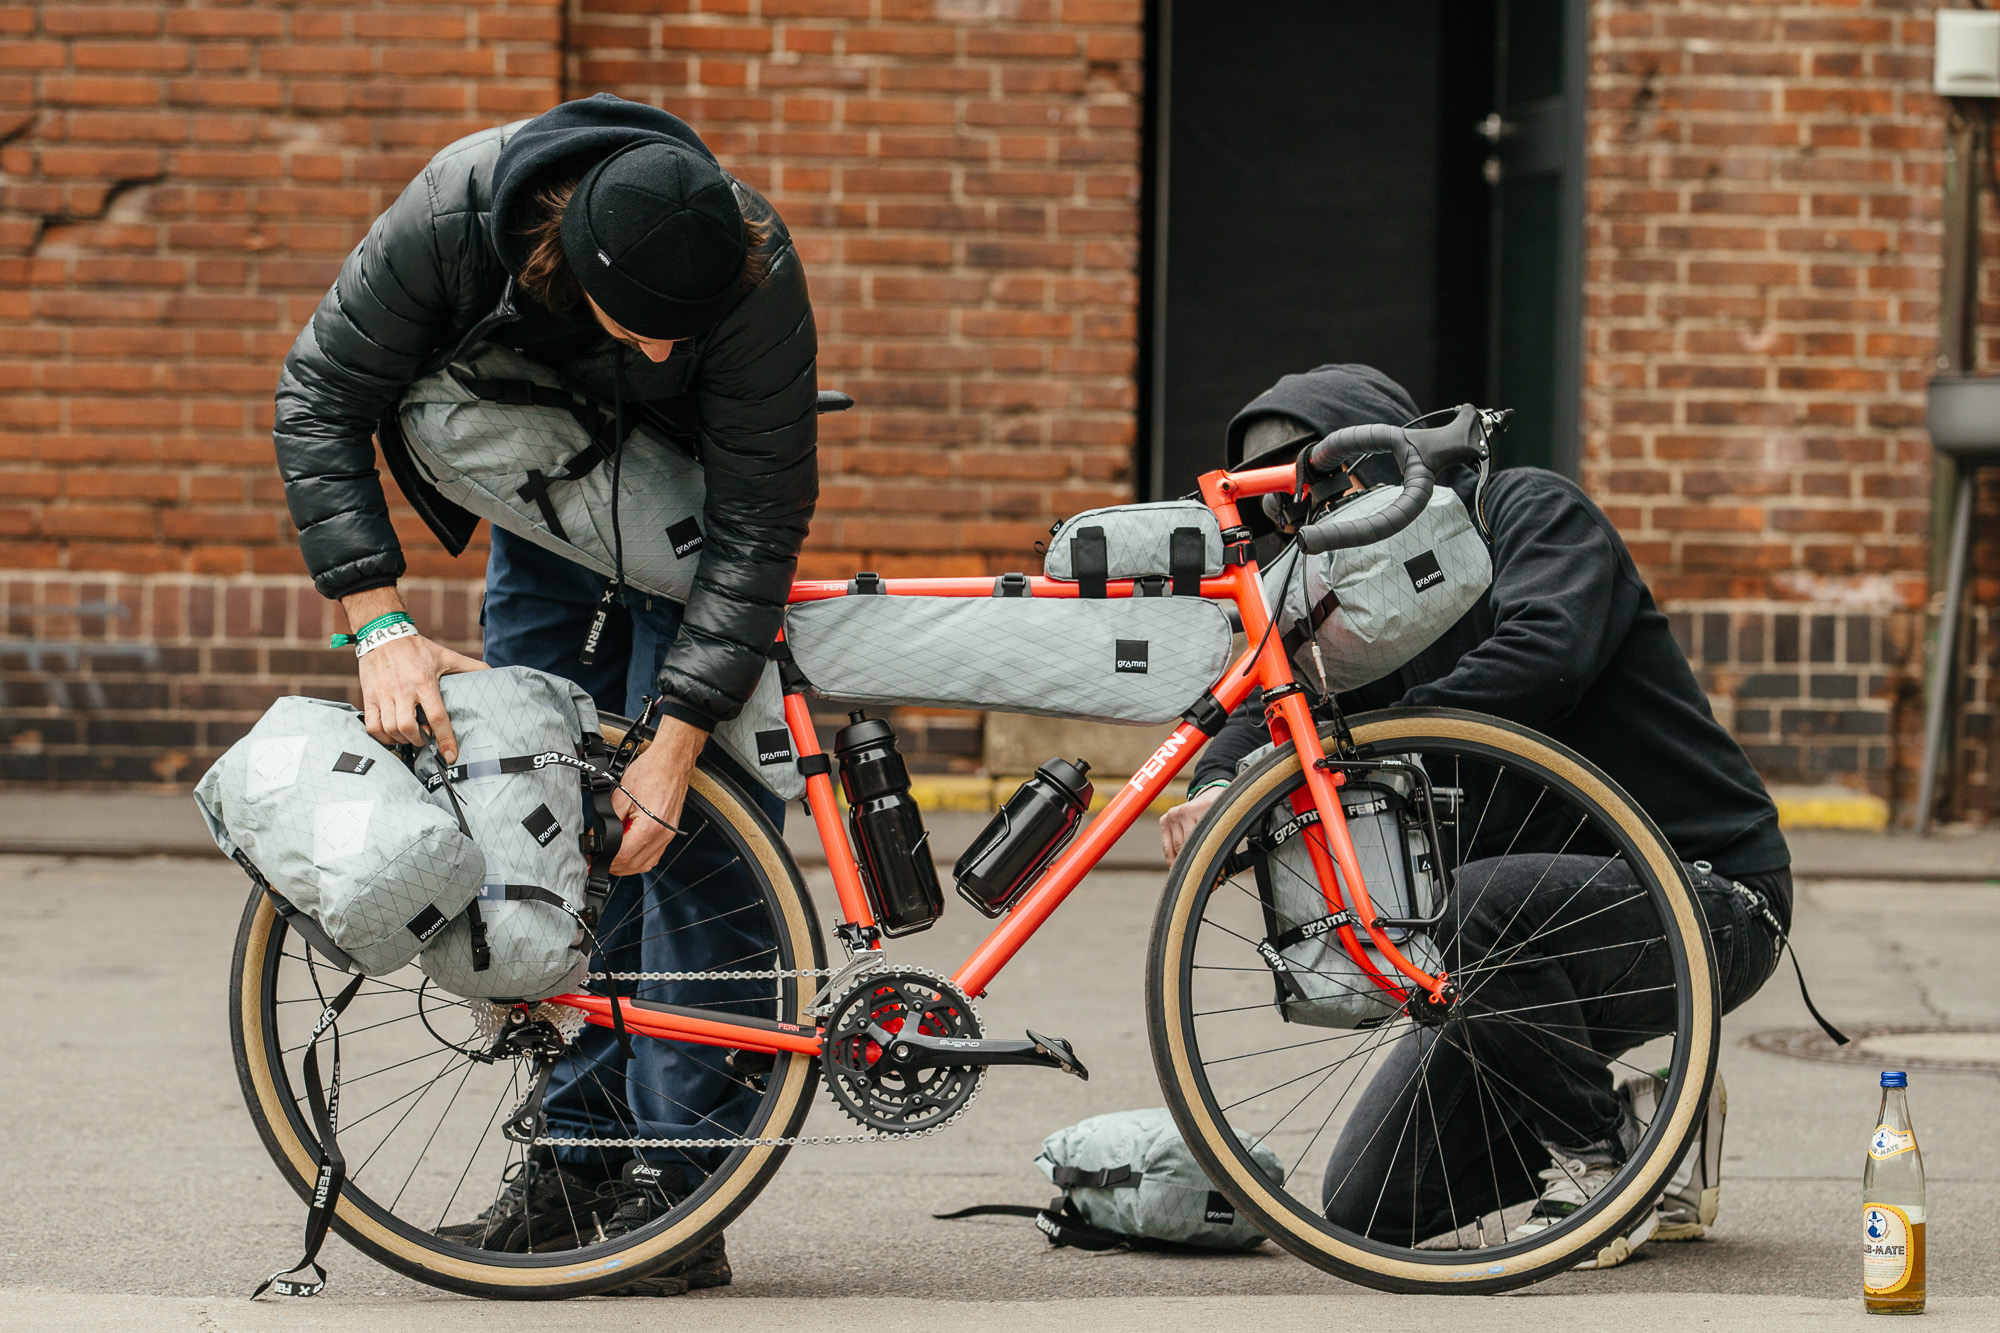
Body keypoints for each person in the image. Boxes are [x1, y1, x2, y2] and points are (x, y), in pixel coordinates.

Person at [271, 94, 819, 1294]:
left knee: (691, 840)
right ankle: (574, 1166)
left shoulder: (747, 260)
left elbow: (761, 514)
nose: (670, 351)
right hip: (547, 497)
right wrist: (378, 621)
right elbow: (318, 396)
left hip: (693, 521)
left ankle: (680, 1195)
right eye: (646, 328)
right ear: (563, 262)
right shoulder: (454, 216)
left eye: (690, 331)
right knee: (543, 816)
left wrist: (676, 739)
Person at [1160, 364, 1790, 1268]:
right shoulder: (1353, 612)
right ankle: (1653, 1120)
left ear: (1392, 460)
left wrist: (1352, 751)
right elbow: (1264, 699)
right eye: (1284, 511)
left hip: (1706, 899)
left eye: (1325, 483)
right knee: (1371, 1204)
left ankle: (1605, 1164)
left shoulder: (1526, 510)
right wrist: (1218, 790)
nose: (1311, 523)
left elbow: (1549, 656)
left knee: (1468, 904)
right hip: (1502, 947)